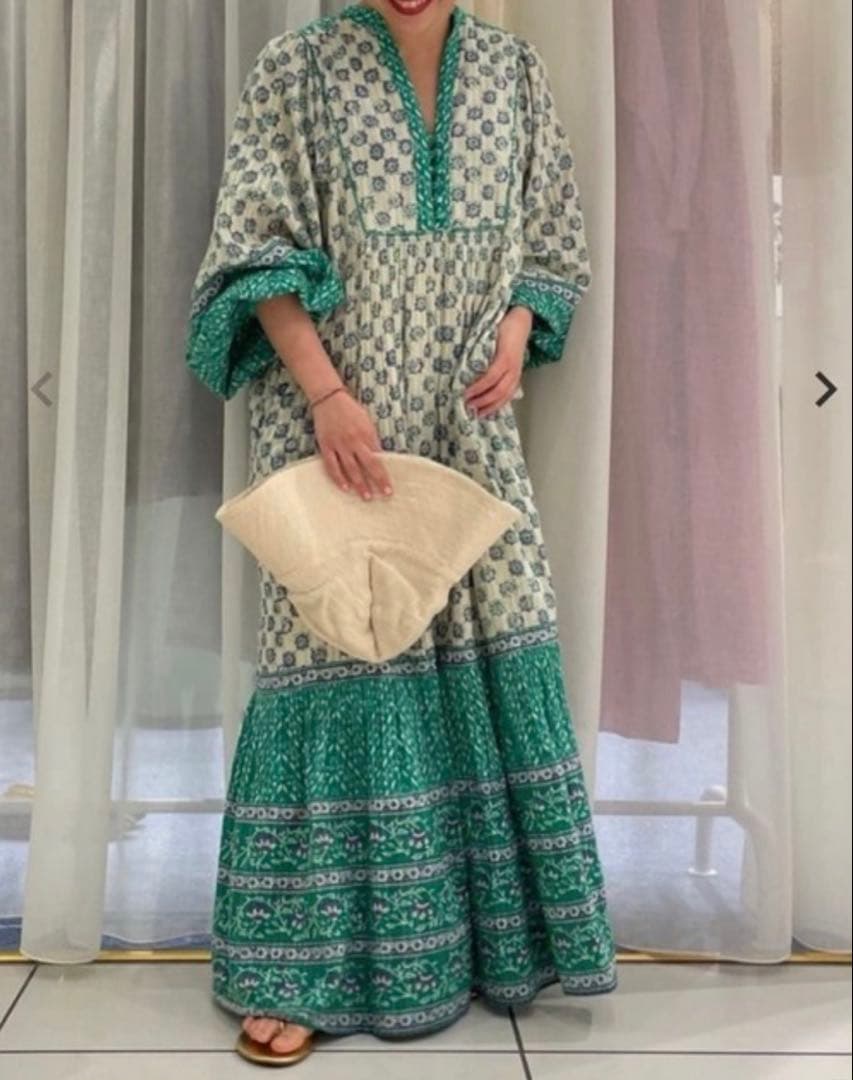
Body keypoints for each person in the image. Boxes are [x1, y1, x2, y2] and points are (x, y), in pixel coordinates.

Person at [185, 0, 618, 1064]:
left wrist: (516, 330)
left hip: (467, 420)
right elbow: (252, 257)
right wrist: (329, 397)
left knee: (493, 636)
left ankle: (485, 947)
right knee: (344, 650)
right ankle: (302, 970)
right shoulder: (295, 69)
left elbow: (552, 239)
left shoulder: (512, 74)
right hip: (335, 424)